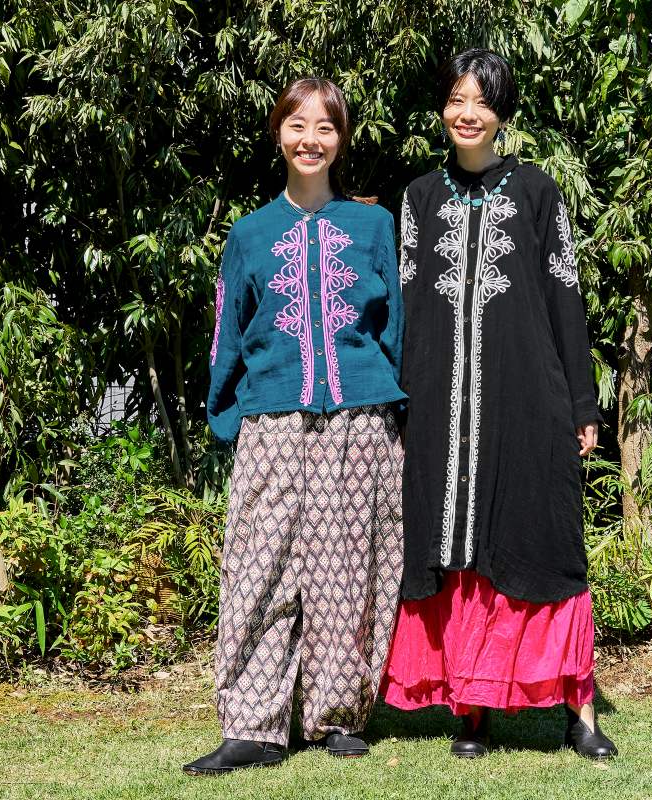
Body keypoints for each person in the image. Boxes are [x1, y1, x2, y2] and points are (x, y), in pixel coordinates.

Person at [380, 49, 618, 760]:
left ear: (502, 113)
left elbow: (565, 300)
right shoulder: (420, 197)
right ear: (442, 109)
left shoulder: (540, 192)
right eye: (457, 99)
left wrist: (582, 405)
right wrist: (399, 400)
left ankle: (579, 712)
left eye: (482, 101)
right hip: (439, 405)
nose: (467, 113)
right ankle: (472, 708)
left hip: (526, 399)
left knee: (540, 538)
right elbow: (407, 305)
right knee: (454, 548)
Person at [184, 77, 406, 776]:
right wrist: (228, 415)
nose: (311, 140)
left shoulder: (374, 227)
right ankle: (253, 725)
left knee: (348, 572)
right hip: (272, 422)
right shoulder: (248, 234)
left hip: (358, 423)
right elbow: (228, 332)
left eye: (326, 127)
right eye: (297, 125)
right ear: (279, 133)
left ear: (342, 139)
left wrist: (393, 410)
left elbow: (395, 327)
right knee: (259, 570)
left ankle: (337, 715)